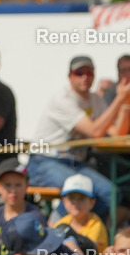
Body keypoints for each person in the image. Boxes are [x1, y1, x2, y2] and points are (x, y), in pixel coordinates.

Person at [23, 55, 129, 221]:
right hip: (45, 161)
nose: (85, 77)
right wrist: (120, 98)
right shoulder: (62, 99)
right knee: (79, 190)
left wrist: (125, 103)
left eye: (90, 73)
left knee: (111, 193)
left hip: (75, 164)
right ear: (70, 76)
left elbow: (117, 134)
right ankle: (54, 228)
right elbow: (95, 132)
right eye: (79, 72)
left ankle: (81, 234)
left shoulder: (95, 99)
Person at [54, 174, 108, 255]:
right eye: (71, 198)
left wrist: (71, 242)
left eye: (81, 198)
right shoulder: (62, 223)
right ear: (64, 201)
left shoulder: (96, 225)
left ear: (91, 202)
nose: (76, 203)